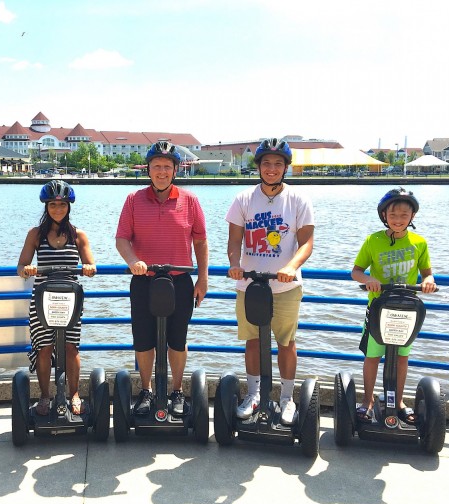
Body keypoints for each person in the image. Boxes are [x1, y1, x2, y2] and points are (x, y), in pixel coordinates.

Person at [115, 141, 209, 417]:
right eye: (156, 166)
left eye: (167, 167)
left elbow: (201, 241)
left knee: (177, 340)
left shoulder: (190, 201)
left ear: (175, 170)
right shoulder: (133, 200)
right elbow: (122, 239)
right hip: (144, 280)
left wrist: (202, 279)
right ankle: (146, 390)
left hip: (179, 281)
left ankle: (176, 390)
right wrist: (133, 261)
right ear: (148, 169)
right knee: (144, 340)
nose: (162, 171)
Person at [226, 138, 314, 424]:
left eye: (278, 164)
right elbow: (234, 241)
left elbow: (307, 243)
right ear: (259, 167)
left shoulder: (299, 200)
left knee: (286, 343)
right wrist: (234, 265)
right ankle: (253, 395)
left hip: (286, 286)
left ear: (286, 167)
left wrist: (291, 266)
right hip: (249, 285)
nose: (272, 168)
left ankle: (287, 398)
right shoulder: (243, 199)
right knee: (252, 341)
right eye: (266, 163)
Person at [351, 187, 436, 424]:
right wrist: (369, 280)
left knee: (401, 357)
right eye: (393, 215)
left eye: (404, 215)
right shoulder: (373, 240)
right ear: (384, 215)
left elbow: (427, 273)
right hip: (379, 307)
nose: (398, 220)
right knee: (372, 356)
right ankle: (367, 401)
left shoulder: (419, 242)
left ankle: (398, 401)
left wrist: (428, 282)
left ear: (412, 217)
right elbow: (356, 272)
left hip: (406, 308)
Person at [17, 180, 96, 416]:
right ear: (46, 206)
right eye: (53, 205)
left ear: (68, 206)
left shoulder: (78, 235)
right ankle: (44, 396)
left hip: (70, 301)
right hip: (42, 301)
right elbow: (21, 265)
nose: (57, 209)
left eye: (61, 205)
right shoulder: (36, 234)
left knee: (72, 348)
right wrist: (27, 269)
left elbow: (90, 262)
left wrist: (90, 268)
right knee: (44, 348)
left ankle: (73, 394)